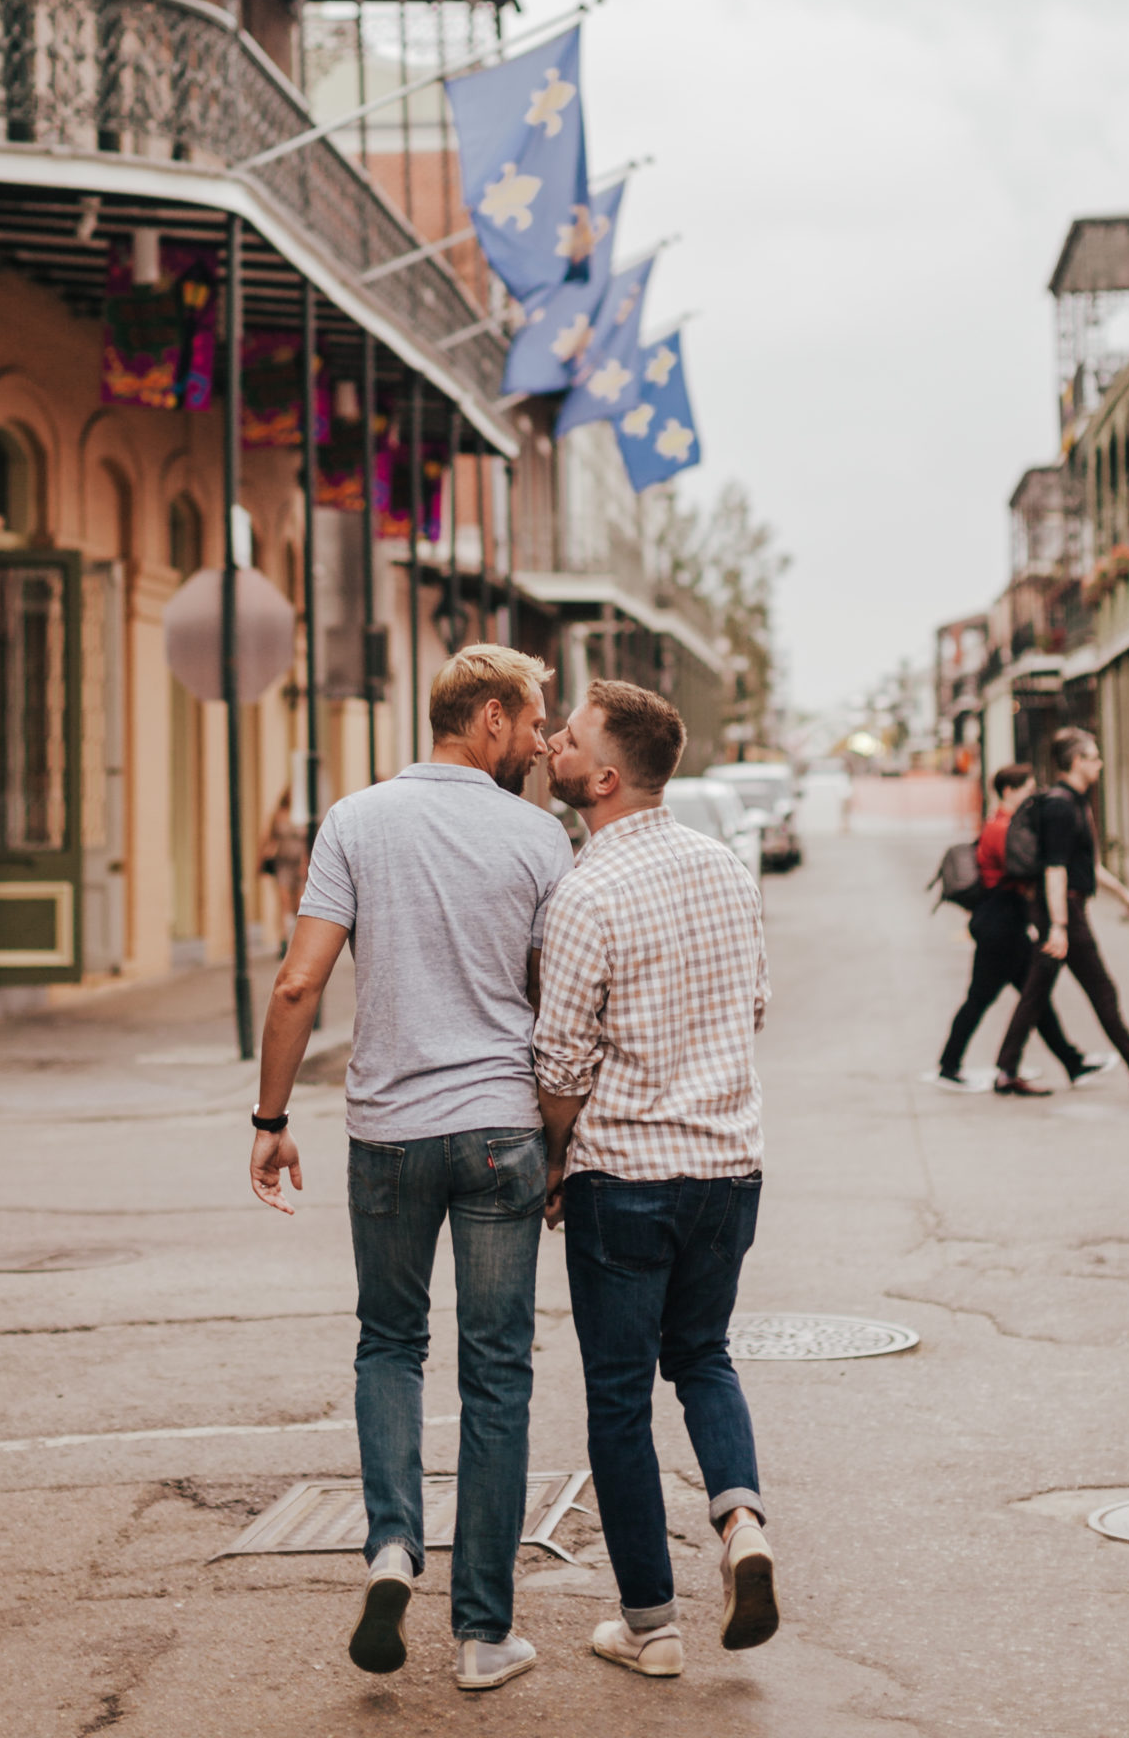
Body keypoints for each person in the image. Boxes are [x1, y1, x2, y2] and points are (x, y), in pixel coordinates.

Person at [247, 644, 572, 1694]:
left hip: (387, 1132)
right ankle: (482, 1633)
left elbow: (299, 984)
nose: (538, 743)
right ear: (486, 718)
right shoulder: (537, 836)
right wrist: (563, 1140)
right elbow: (551, 997)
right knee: (497, 1371)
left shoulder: (355, 819)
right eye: (530, 722)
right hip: (497, 1133)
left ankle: (392, 1543)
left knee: (388, 1344)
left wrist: (271, 1116)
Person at [534, 681, 776, 1682]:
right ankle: (742, 1520)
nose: (554, 740)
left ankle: (650, 1624)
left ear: (604, 775)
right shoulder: (724, 867)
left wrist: (554, 1159)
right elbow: (756, 1004)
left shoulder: (585, 888)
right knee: (706, 1357)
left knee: (620, 1398)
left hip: (625, 1175)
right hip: (728, 1170)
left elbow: (557, 1062)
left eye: (573, 734)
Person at [992, 727, 1129, 1099]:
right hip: (1062, 909)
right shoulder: (1060, 806)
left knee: (1036, 993)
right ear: (1078, 761)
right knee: (1101, 991)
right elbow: (1055, 869)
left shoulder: (1075, 802)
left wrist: (1124, 894)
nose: (1100, 764)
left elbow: (1085, 865)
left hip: (1065, 906)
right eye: (1095, 757)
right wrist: (1060, 926)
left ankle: (1006, 1069)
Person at [937, 764, 1106, 1089]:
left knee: (1033, 996)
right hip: (1001, 925)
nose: (1032, 796)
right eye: (1028, 790)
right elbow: (1026, 868)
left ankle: (1068, 1062)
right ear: (1009, 791)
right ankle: (956, 1065)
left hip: (1005, 923)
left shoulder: (1003, 825)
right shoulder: (1002, 828)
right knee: (993, 997)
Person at [260, 787, 308, 955]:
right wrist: (262, 859)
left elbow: (306, 843)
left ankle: (297, 939)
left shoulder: (301, 816)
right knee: (284, 902)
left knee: (299, 904)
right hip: (282, 864)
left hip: (299, 865)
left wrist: (306, 863)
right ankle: (283, 938)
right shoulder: (278, 815)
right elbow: (269, 839)